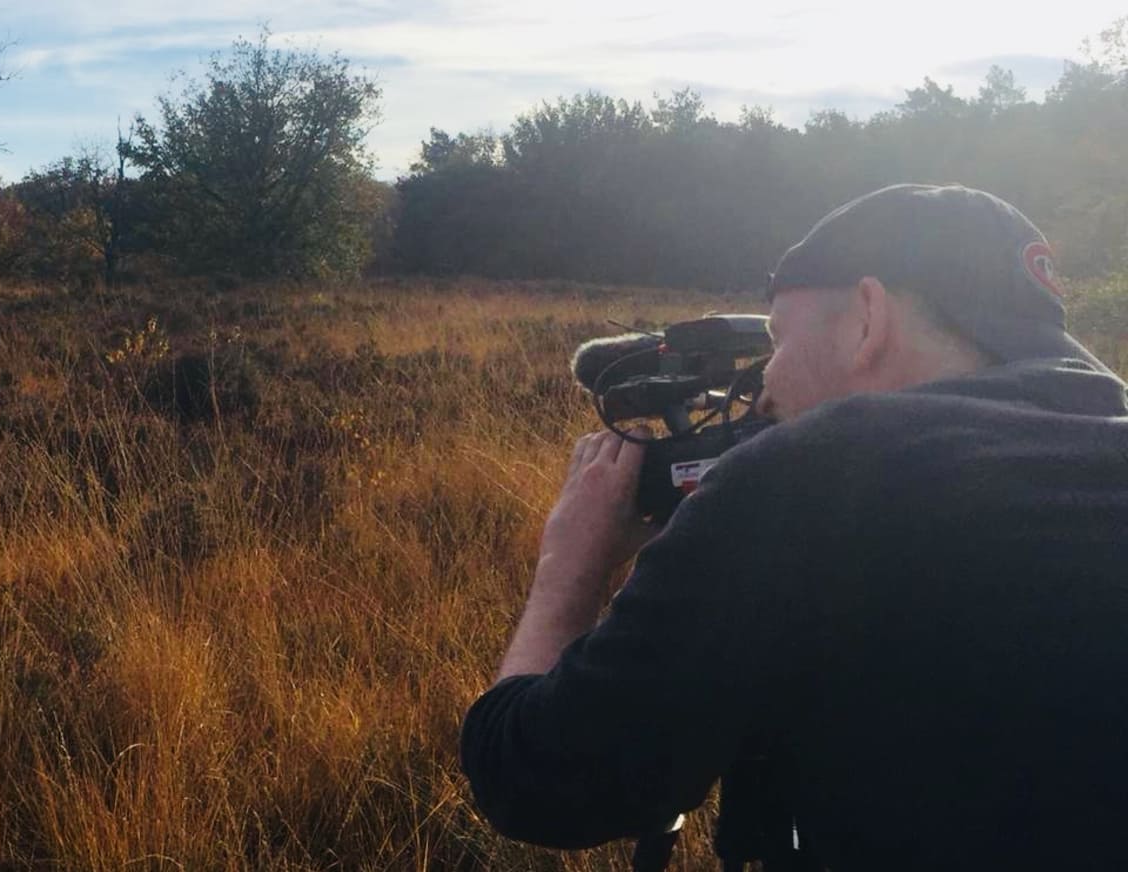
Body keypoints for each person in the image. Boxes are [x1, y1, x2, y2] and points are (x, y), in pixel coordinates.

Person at [460, 184, 1128, 869]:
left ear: (868, 317)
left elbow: (537, 782)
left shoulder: (816, 475)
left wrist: (566, 569)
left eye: (776, 339)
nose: (764, 385)